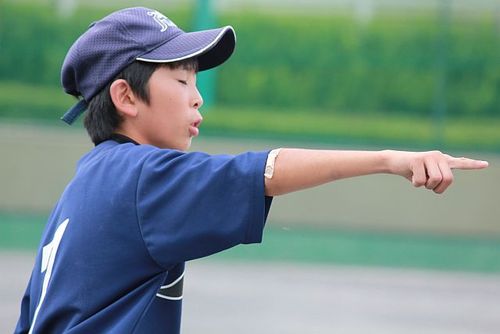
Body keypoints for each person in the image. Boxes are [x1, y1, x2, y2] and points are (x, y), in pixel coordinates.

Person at [15, 6, 488, 334]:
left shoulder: (91, 179)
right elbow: (265, 170)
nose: (196, 95)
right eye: (181, 79)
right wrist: (391, 160)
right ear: (125, 97)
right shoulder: (143, 176)